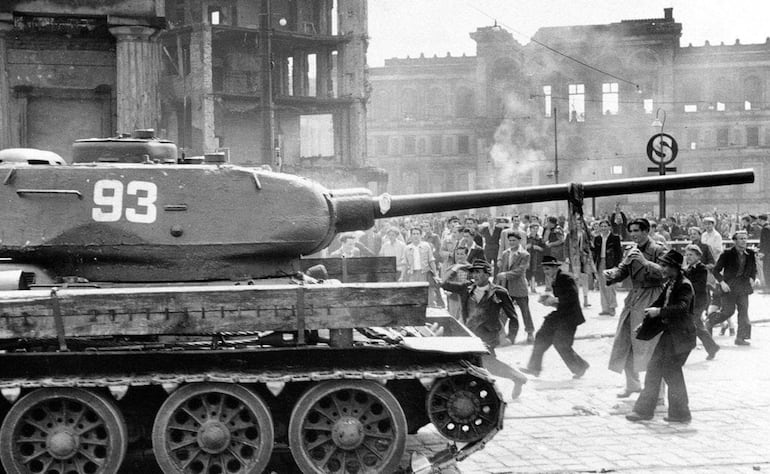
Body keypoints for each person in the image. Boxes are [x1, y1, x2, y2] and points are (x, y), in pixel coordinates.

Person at [626, 249, 696, 423]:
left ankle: (676, 414)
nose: (662, 268)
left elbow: (681, 308)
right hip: (671, 335)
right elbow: (658, 304)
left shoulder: (684, 285)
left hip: (681, 337)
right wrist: (646, 322)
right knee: (656, 370)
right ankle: (668, 413)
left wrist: (659, 312)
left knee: (669, 373)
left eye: (665, 265)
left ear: (675, 267)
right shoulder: (671, 283)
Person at [441, 260, 528, 399]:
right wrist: (456, 268)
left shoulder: (499, 292)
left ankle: (491, 390)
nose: (475, 275)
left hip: (488, 335)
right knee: (485, 364)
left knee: (483, 363)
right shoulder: (465, 288)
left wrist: (511, 337)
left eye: (479, 272)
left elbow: (513, 317)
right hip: (469, 334)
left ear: (488, 274)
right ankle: (515, 378)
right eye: (473, 272)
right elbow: (443, 283)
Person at [605, 218, 667, 398]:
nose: (633, 235)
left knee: (651, 346)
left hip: (653, 298)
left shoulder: (658, 249)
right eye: (631, 231)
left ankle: (659, 393)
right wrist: (611, 274)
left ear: (646, 231)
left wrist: (645, 262)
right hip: (634, 299)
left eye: (636, 231)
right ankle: (632, 384)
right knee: (625, 343)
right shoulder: (631, 250)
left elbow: (666, 273)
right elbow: (622, 270)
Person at [521, 255, 590, 378]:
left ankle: (580, 367)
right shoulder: (556, 278)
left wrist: (554, 300)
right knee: (541, 336)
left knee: (561, 344)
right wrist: (548, 301)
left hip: (570, 317)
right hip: (560, 314)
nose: (545, 272)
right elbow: (562, 301)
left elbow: (572, 297)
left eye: (547, 269)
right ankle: (534, 368)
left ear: (554, 268)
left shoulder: (565, 278)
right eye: (544, 269)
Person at [707, 231, 756, 346]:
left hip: (743, 287)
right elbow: (715, 270)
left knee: (743, 312)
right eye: (741, 238)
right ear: (735, 241)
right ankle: (710, 322)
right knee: (728, 311)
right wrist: (722, 283)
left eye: (745, 238)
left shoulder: (750, 253)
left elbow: (753, 269)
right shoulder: (727, 254)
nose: (744, 240)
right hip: (729, 287)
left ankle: (740, 338)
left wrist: (752, 278)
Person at [497, 231, 535, 344]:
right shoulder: (505, 254)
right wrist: (498, 285)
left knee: (525, 311)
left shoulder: (524, 254)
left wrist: (506, 275)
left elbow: (520, 271)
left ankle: (530, 332)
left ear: (519, 241)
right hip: (506, 287)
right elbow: (501, 270)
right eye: (510, 241)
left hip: (519, 287)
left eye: (514, 240)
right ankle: (501, 334)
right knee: (504, 311)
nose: (511, 243)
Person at [683, 244, 720, 360]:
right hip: (691, 301)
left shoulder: (702, 269)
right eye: (687, 255)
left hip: (700, 300)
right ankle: (712, 347)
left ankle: (710, 347)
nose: (688, 257)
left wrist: (685, 285)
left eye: (691, 255)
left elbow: (699, 285)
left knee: (694, 323)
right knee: (697, 325)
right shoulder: (687, 268)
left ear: (698, 256)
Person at [593, 219, 622, 316]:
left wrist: (616, 265)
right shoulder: (597, 238)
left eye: (605, 226)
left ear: (609, 227)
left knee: (610, 286)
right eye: (602, 226)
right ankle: (605, 308)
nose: (604, 228)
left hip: (610, 263)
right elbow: (595, 253)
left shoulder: (615, 238)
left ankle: (612, 307)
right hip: (600, 262)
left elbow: (619, 253)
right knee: (602, 286)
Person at [526, 222, 545, 292]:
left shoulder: (539, 239)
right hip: (527, 257)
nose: (535, 230)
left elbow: (543, 249)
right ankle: (526, 287)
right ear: (530, 229)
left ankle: (533, 287)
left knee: (533, 271)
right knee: (526, 271)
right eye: (533, 228)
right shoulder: (526, 237)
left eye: (537, 228)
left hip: (535, 257)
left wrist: (537, 247)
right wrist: (526, 247)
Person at [758, 214, 770, 291]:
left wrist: (762, 252)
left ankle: (768, 288)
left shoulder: (765, 229)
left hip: (767, 253)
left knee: (766, 270)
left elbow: (765, 243)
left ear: (761, 220)